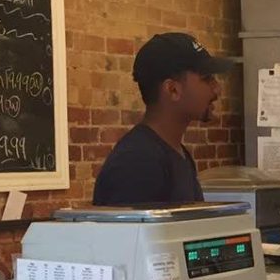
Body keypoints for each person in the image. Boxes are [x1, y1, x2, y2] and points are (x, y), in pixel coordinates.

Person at [93, 32, 234, 207]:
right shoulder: (137, 163)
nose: (217, 89)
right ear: (173, 90)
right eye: (207, 78)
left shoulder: (175, 154)